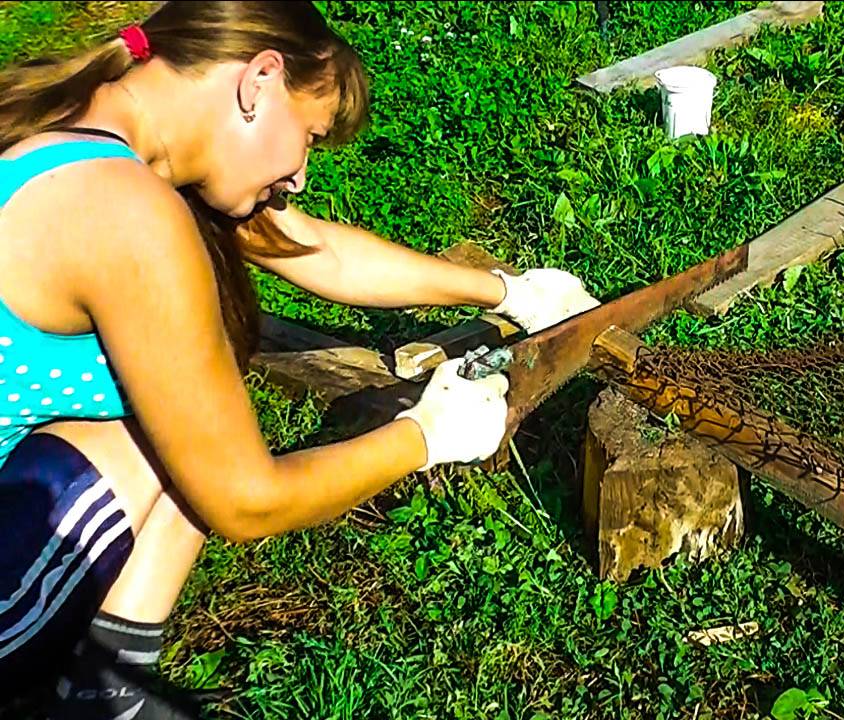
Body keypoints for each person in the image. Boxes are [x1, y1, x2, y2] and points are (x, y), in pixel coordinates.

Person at [0, 2, 600, 718]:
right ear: (258, 80)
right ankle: (102, 702)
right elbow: (246, 500)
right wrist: (426, 436)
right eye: (309, 138)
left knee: (188, 416)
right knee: (192, 436)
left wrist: (508, 291)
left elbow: (320, 251)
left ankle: (104, 693)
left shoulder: (84, 139)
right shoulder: (124, 212)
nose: (301, 177)